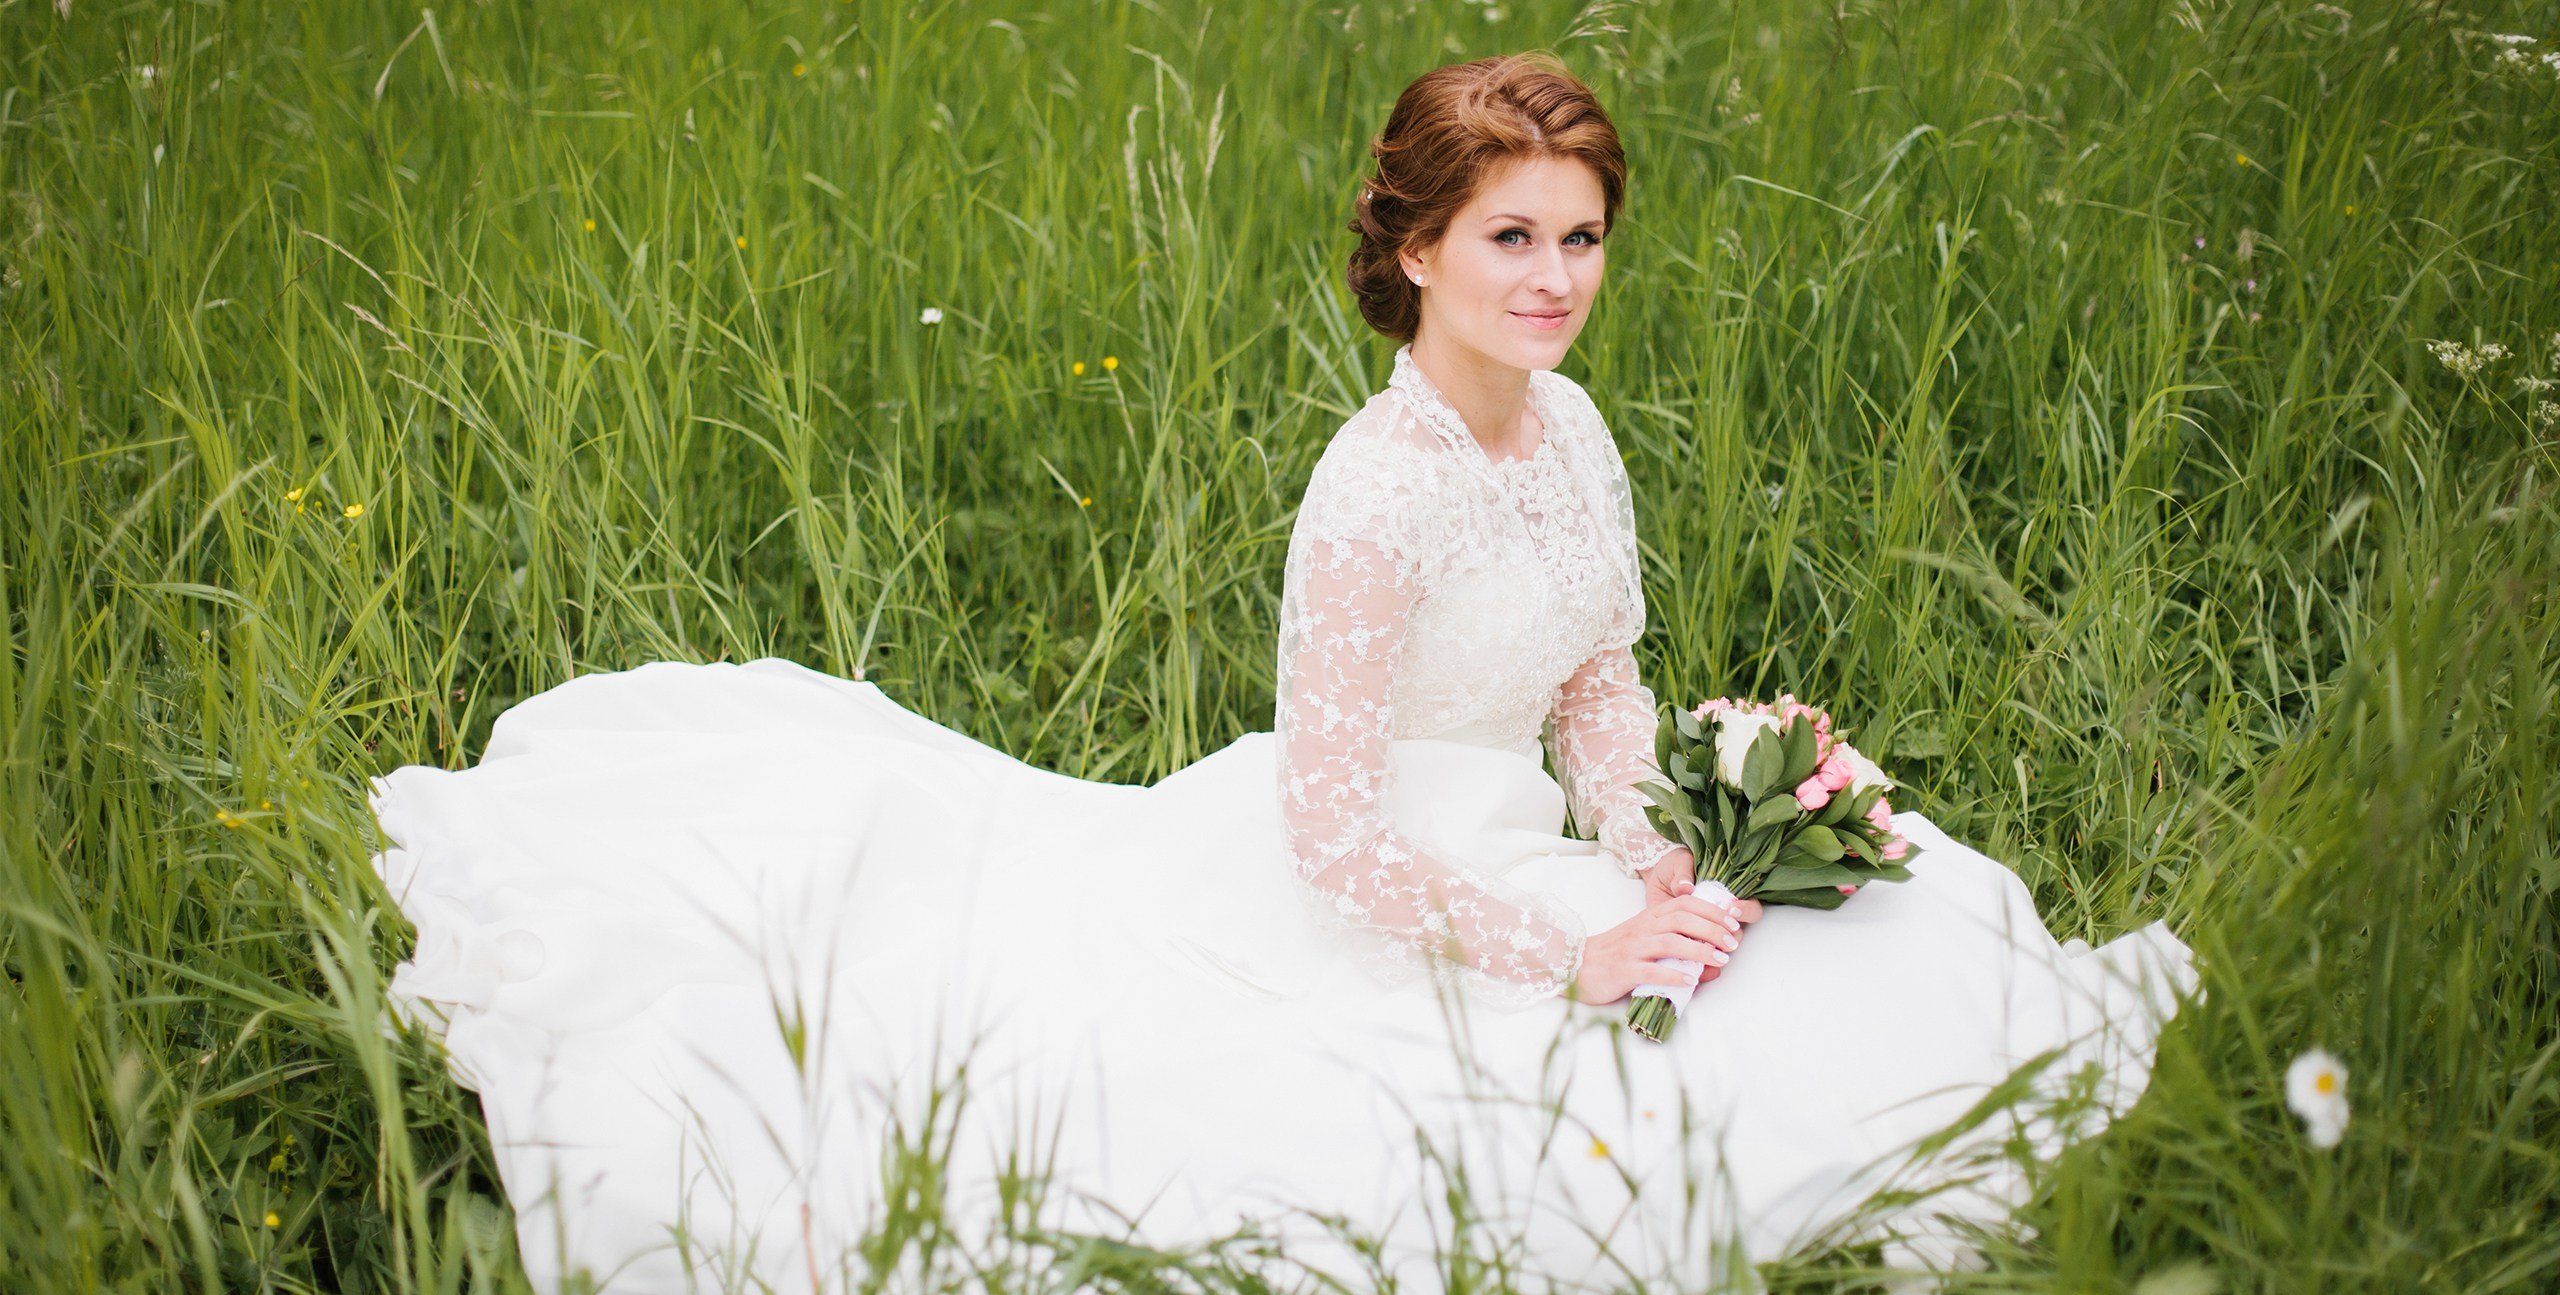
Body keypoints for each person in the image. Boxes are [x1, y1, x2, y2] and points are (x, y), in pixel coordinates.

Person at [371, 52, 2194, 1295]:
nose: (1554, 278)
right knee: (1573, 1132)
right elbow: (1331, 835)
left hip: (1539, 851)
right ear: (1416, 253)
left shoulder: (1576, 435)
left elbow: (1597, 684)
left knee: (1890, 934)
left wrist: (1664, 838)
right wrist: (1575, 951)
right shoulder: (1373, 493)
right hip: (1378, 884)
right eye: (1510, 238)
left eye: (1579, 237)